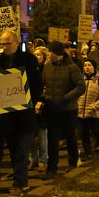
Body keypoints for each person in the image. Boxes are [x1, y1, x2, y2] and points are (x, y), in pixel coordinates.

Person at [0, 29, 42, 197]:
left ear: (15, 43)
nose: (4, 46)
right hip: (7, 115)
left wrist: (30, 101)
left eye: (7, 43)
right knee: (14, 150)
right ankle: (22, 179)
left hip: (24, 114)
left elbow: (37, 84)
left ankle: (18, 184)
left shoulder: (28, 59)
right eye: (1, 43)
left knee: (22, 149)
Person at [37, 41, 84, 177]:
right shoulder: (47, 67)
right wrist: (44, 97)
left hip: (68, 109)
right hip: (52, 108)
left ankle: (73, 162)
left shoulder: (71, 67)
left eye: (50, 51)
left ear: (56, 53)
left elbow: (81, 87)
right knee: (53, 138)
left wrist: (66, 98)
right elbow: (44, 85)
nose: (48, 54)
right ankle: (52, 168)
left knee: (70, 136)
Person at [77, 59, 99, 160]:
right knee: (83, 133)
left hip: (95, 113)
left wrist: (95, 106)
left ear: (94, 67)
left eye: (89, 65)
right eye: (85, 65)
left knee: (96, 131)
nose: (87, 67)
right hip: (81, 112)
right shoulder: (80, 80)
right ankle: (88, 153)